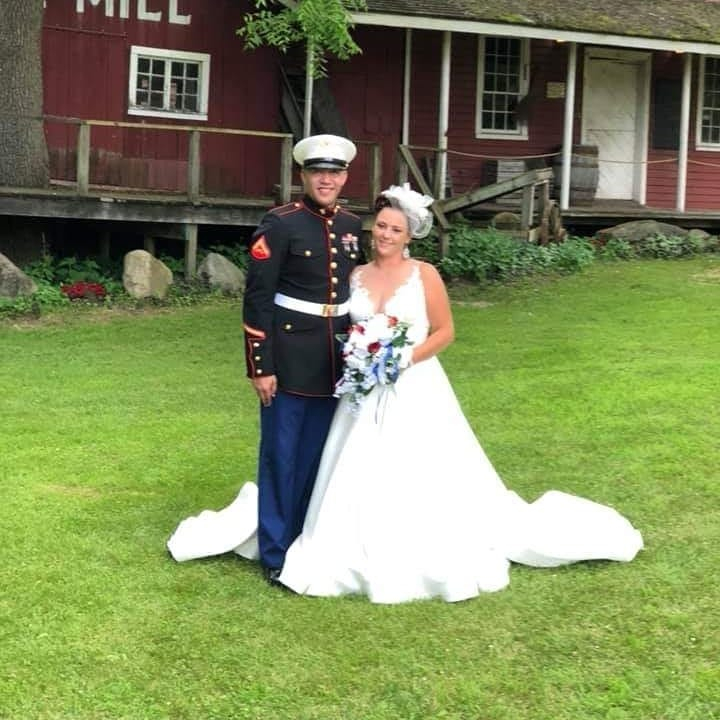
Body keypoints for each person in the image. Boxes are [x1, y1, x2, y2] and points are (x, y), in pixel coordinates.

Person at [167, 183, 643, 604]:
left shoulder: (425, 275)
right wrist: (351, 359)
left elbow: (445, 331)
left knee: (416, 467)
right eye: (381, 228)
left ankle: (410, 546)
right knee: (346, 465)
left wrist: (400, 359)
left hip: (412, 383)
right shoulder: (355, 274)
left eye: (395, 229)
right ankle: (329, 543)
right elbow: (310, 306)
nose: (385, 235)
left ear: (410, 234)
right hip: (360, 389)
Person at [240, 133, 362, 586]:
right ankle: (275, 552)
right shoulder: (279, 223)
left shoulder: (352, 224)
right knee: (280, 456)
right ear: (304, 176)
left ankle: (308, 540)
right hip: (288, 360)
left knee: (320, 457)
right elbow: (258, 299)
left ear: (345, 176)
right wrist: (261, 365)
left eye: (334, 172)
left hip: (338, 361)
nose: (326, 179)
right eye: (317, 172)